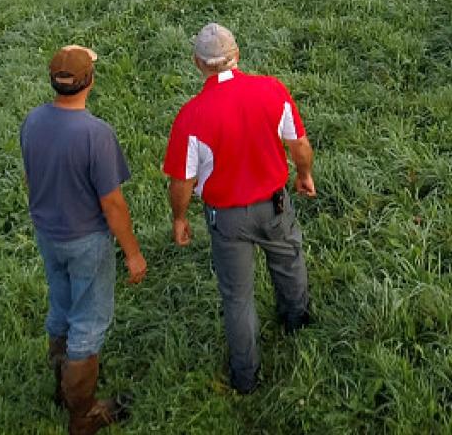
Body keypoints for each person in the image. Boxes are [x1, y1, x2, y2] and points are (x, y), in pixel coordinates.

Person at [164, 23, 316, 393]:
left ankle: (245, 376)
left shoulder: (191, 116)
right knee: (289, 261)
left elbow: (182, 181)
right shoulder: (271, 90)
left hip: (228, 219)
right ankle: (298, 323)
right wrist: (303, 174)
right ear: (237, 55)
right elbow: (298, 144)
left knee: (237, 296)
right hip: (275, 204)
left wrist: (180, 217)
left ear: (198, 63)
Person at [20, 45, 147, 434]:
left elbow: (29, 178)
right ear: (89, 82)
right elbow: (112, 203)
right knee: (89, 324)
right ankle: (83, 413)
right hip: (86, 239)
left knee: (60, 306)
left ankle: (61, 383)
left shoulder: (33, 121)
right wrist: (133, 254)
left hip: (48, 233)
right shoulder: (96, 134)